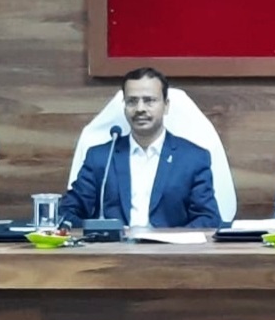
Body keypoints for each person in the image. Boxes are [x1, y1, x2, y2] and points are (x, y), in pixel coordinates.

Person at [61, 67, 220, 228]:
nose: (140, 109)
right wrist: (97, 232)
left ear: (166, 106)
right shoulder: (101, 157)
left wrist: (170, 239)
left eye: (149, 100)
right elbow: (68, 211)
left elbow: (208, 218)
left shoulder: (192, 158)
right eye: (132, 101)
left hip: (170, 244)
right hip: (114, 244)